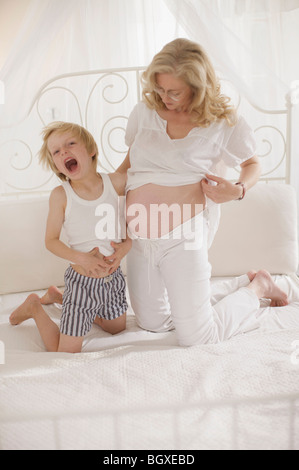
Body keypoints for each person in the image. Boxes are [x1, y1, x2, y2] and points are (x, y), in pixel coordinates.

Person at [117, 38, 288, 346]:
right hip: (140, 239)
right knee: (154, 324)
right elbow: (126, 168)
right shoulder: (143, 113)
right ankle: (238, 284)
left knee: (197, 337)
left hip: (185, 235)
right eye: (159, 88)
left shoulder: (224, 122)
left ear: (197, 86)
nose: (164, 98)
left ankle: (258, 288)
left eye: (173, 91)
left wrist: (237, 189)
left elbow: (253, 164)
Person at [9, 122, 131, 353]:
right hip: (82, 284)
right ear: (56, 164)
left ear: (91, 150)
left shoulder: (115, 183)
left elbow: (130, 226)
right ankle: (36, 306)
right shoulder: (61, 196)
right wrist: (81, 259)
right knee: (64, 351)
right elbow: (51, 241)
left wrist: (127, 246)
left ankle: (58, 297)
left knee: (116, 329)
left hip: (113, 280)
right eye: (56, 151)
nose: (63, 151)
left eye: (70, 144)